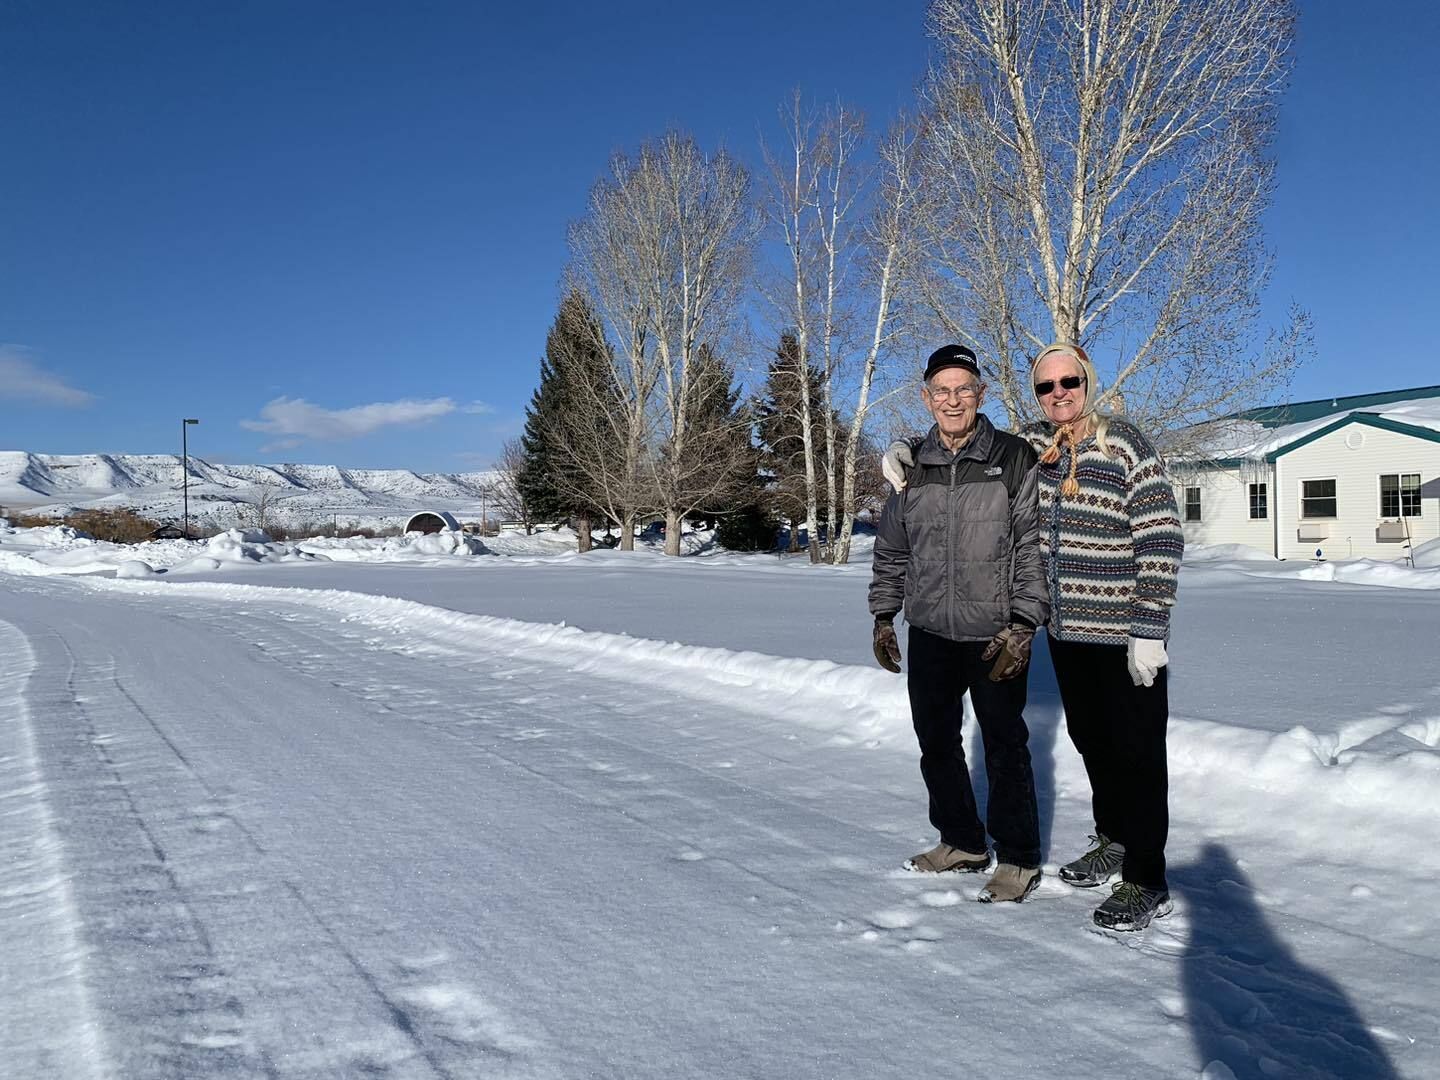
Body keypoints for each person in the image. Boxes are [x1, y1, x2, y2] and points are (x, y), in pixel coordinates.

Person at [882, 343, 1183, 931]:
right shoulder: (1038, 447)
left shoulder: (1123, 444)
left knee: (1139, 753)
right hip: (1068, 631)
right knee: (1094, 743)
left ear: (1087, 383)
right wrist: (903, 450)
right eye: (1047, 387)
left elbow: (1162, 537)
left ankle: (1147, 878)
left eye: (1069, 382)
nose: (1059, 394)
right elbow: (967, 443)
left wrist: (1149, 630)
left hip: (1125, 633)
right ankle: (1115, 840)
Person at [869, 344, 1049, 904]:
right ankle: (963, 841)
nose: (953, 400)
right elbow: (892, 549)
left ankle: (1017, 856)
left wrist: (1023, 624)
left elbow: (1034, 546)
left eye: (963, 389)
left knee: (1004, 743)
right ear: (927, 398)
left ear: (980, 395)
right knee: (936, 742)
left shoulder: (1014, 458)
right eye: (941, 390)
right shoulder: (910, 468)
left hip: (995, 633)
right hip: (929, 632)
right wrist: (882, 614)